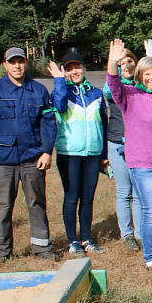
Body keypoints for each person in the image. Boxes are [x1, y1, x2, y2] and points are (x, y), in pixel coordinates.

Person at [0, 48, 59, 264]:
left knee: (36, 203)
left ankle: (42, 249)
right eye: (13, 62)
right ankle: (1, 252)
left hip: (32, 158)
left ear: (26, 63)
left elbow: (48, 123)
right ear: (5, 65)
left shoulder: (38, 91)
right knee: (3, 205)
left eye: (20, 61)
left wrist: (47, 151)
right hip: (3, 160)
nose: (17, 66)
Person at [106, 39, 152, 272]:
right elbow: (112, 82)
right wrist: (112, 61)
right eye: (147, 74)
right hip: (143, 163)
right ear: (139, 76)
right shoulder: (130, 96)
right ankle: (150, 258)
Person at [49, 52, 108, 257]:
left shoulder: (96, 93)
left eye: (78, 67)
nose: (75, 71)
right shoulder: (61, 91)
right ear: (65, 71)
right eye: (69, 68)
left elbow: (104, 123)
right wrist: (59, 81)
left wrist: (104, 153)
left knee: (88, 198)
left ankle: (86, 238)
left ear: (84, 68)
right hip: (69, 153)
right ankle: (72, 241)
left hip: (93, 152)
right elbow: (59, 106)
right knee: (72, 197)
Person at [103, 48, 141, 251]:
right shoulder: (112, 86)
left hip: (139, 143)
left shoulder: (141, 85)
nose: (127, 66)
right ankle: (127, 234)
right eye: (122, 63)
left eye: (130, 62)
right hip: (118, 142)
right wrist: (113, 63)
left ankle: (141, 233)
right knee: (124, 190)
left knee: (138, 191)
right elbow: (111, 86)